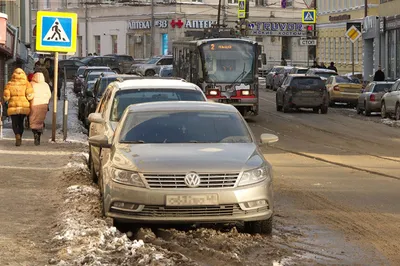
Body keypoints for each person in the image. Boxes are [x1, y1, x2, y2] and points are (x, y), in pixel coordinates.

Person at [3, 68, 34, 146]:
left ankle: (17, 134)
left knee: (14, 123)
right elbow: (29, 96)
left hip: (13, 106)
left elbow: (6, 96)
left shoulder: (9, 84)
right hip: (23, 107)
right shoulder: (27, 84)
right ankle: (20, 135)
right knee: (21, 123)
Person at [29, 72, 52, 145]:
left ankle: (35, 133)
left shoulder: (31, 84)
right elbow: (49, 95)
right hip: (43, 105)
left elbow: (29, 94)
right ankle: (38, 134)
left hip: (33, 105)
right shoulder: (45, 85)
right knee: (40, 121)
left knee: (33, 120)